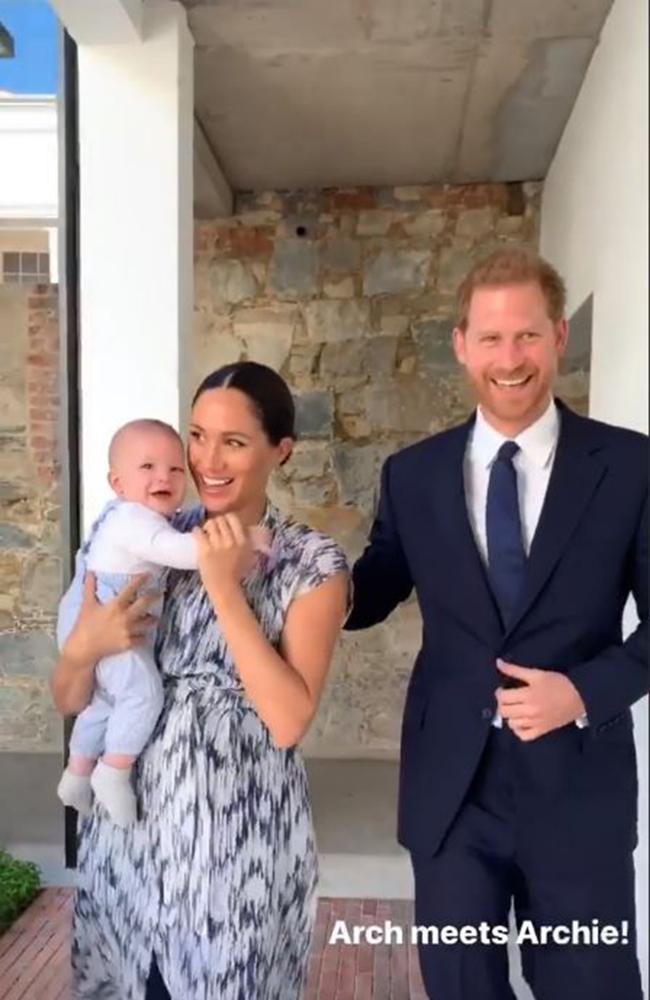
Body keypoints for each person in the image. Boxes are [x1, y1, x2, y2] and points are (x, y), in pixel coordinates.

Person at [345, 248, 647, 1000]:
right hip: (454, 797)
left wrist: (582, 692)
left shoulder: (632, 466)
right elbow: (368, 593)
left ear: (557, 339)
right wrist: (276, 566)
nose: (509, 359)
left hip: (579, 792)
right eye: (491, 338)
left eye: (527, 336)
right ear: (461, 345)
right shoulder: (412, 476)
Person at [51, 362, 350, 1000]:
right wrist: (83, 650)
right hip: (130, 839)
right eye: (196, 435)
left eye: (234, 442)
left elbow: (289, 719)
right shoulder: (152, 534)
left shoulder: (311, 562)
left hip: (234, 848)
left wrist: (221, 584)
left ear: (281, 451)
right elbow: (74, 698)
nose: (206, 460)